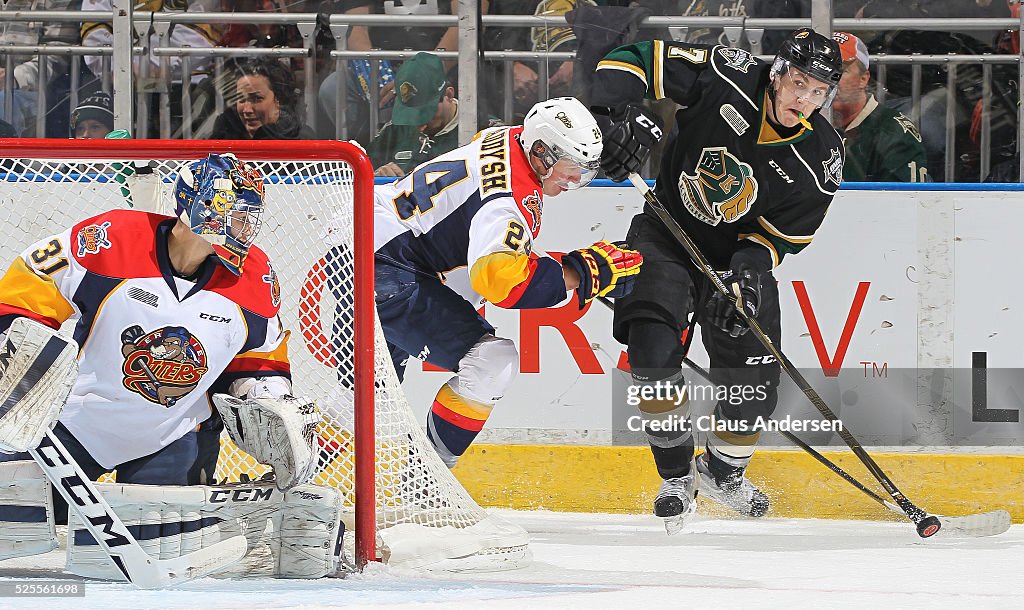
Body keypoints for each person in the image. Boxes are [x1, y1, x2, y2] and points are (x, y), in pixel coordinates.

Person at [590, 29, 845, 529]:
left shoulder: (821, 159)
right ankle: (676, 473)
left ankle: (724, 473)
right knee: (651, 350)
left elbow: (777, 238)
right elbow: (634, 58)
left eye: (818, 91)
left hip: (736, 262)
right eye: (797, 83)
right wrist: (611, 120)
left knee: (752, 382)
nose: (805, 99)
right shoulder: (728, 72)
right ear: (776, 73)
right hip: (666, 231)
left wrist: (749, 274)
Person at [0, 153, 299, 518]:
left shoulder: (255, 277)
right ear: (202, 206)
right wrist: (14, 350)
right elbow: (30, 283)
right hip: (78, 425)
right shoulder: (113, 239)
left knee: (159, 549)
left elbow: (260, 359)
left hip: (173, 438)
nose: (245, 227)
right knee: (13, 523)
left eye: (248, 217)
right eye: (237, 214)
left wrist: (272, 402)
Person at [374, 96, 643, 468]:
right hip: (386, 265)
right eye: (571, 168)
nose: (575, 180)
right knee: (492, 361)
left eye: (585, 170)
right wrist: (584, 271)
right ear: (541, 154)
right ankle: (430, 482)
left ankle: (292, 482)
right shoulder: (508, 200)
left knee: (361, 399)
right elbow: (501, 285)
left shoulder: (504, 136)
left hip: (365, 245)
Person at [369, 52, 500, 178]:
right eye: (410, 112)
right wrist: (377, 178)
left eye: (426, 111)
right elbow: (355, 177)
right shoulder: (394, 130)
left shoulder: (489, 132)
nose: (419, 124)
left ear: (449, 94)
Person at [830, 32, 928, 182]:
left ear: (863, 79)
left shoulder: (895, 134)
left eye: (841, 71)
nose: (830, 79)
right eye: (824, 70)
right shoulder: (800, 121)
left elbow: (905, 202)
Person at [210, 58, 315, 140]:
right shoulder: (224, 135)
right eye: (241, 99)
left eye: (256, 98)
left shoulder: (302, 140)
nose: (247, 110)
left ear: (279, 100)